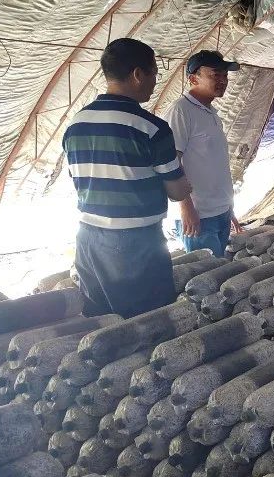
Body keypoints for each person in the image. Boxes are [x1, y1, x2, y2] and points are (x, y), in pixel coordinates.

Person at [63, 38, 192, 318]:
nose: (155, 82)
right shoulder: (151, 128)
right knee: (147, 321)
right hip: (135, 245)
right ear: (137, 75)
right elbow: (177, 190)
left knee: (101, 320)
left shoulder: (76, 124)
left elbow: (79, 180)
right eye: (154, 74)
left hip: (88, 240)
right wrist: (184, 184)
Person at [163, 50, 242, 257]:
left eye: (225, 75)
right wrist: (186, 208)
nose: (223, 80)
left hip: (220, 210)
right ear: (193, 78)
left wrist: (228, 208)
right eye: (216, 74)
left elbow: (215, 165)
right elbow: (171, 163)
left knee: (218, 272)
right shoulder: (181, 111)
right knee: (204, 278)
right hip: (199, 215)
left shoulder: (212, 113)